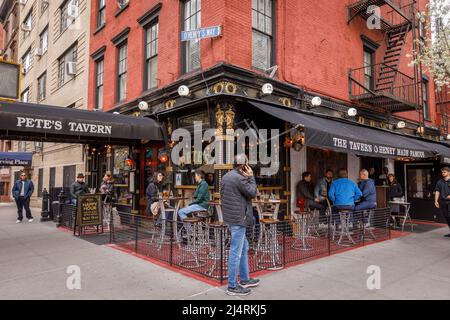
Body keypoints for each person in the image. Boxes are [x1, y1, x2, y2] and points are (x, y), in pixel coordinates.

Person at [221, 154, 259, 296]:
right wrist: (251, 176)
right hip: (238, 219)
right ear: (245, 165)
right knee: (236, 252)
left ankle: (244, 279)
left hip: (231, 218)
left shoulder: (226, 176)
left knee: (244, 248)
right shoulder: (240, 178)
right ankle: (232, 286)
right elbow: (252, 192)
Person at [434, 167, 450, 237]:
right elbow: (437, 191)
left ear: (449, 172)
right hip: (443, 202)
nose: (443, 173)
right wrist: (436, 201)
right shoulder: (439, 182)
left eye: (445, 172)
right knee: (447, 217)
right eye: (442, 172)